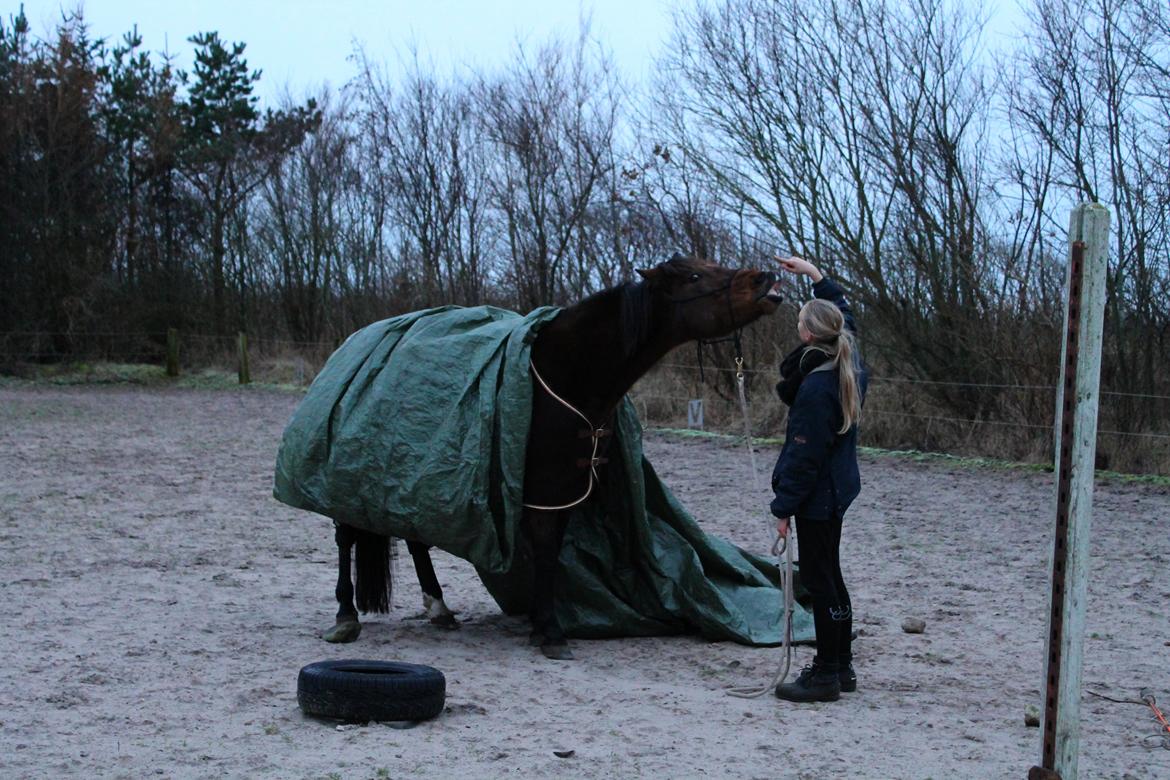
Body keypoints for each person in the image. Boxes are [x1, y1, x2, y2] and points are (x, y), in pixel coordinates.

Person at [769, 255, 867, 703]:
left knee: (820, 579)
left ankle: (827, 672)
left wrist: (783, 508)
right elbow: (845, 315)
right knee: (831, 575)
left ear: (808, 335)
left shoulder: (814, 388)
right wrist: (813, 276)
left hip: (819, 496)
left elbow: (804, 456)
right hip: (836, 491)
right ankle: (841, 665)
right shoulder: (848, 367)